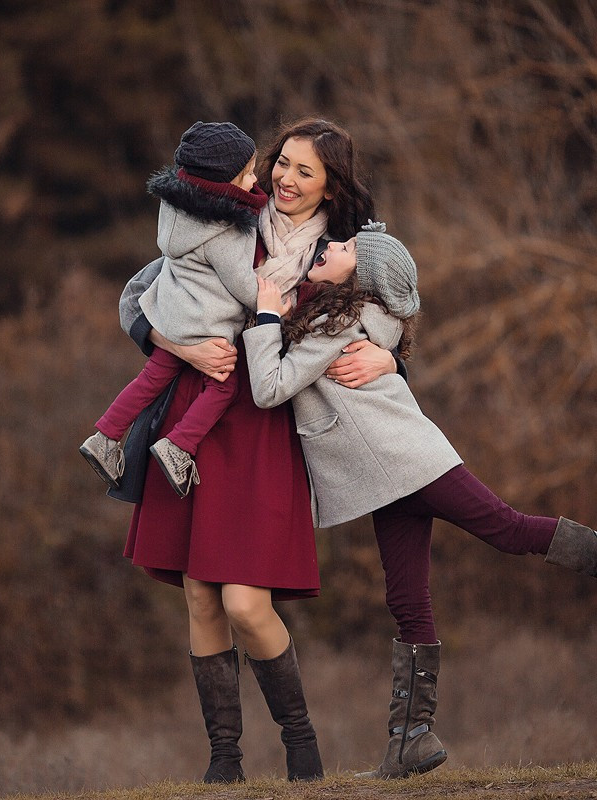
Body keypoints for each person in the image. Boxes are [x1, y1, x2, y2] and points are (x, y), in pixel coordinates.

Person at [243, 222, 597, 780]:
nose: (333, 247)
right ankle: (410, 741)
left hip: (410, 461)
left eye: (349, 248)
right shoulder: (349, 315)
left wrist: (263, 315)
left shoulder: (335, 322)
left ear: (362, 275)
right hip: (386, 476)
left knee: (509, 529)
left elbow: (268, 387)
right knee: (406, 598)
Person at [114, 118, 398, 783]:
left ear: (332, 184)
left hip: (266, 427)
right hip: (193, 412)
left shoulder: (346, 249)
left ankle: (302, 746)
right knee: (199, 596)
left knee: (245, 602)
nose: (286, 179)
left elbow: (392, 316)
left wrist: (389, 358)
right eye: (282, 164)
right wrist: (178, 345)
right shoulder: (225, 214)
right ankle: (224, 762)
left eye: (306, 171)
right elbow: (137, 298)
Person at [80, 121, 265, 498]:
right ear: (224, 183)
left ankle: (106, 436)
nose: (255, 179)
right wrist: (273, 300)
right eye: (248, 174)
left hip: (170, 315)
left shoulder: (174, 207)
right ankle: (179, 446)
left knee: (150, 380)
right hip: (205, 325)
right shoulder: (224, 231)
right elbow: (245, 287)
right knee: (224, 387)